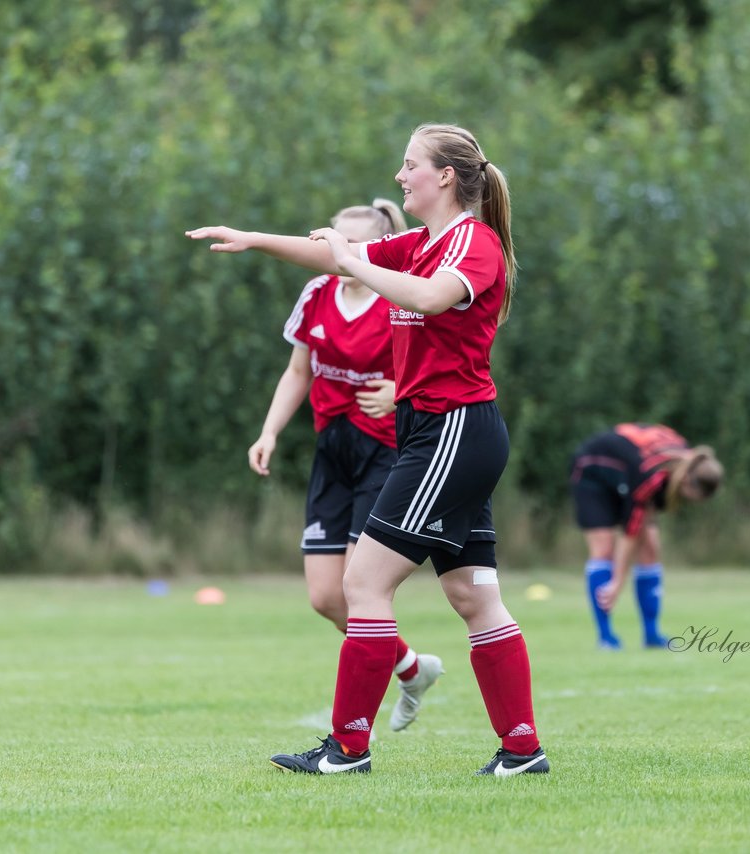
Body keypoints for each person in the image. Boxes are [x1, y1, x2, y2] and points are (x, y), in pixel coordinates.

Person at [187, 123, 547, 777]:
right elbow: (335, 258)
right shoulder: (426, 241)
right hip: (443, 434)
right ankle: (522, 752)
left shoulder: (473, 242)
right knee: (472, 596)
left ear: (444, 176)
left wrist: (355, 263)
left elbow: (432, 297)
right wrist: (254, 240)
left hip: (450, 432)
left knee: (363, 583)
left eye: (409, 165)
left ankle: (348, 749)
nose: (399, 176)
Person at [249, 198, 443, 732]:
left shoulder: (398, 295)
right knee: (325, 597)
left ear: (376, 247)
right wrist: (269, 432)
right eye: (333, 241)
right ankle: (410, 668)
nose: (340, 252)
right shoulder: (315, 294)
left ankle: (351, 733)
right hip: (332, 451)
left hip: (386, 453)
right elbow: (298, 371)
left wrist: (399, 392)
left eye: (354, 243)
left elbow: (445, 363)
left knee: (361, 591)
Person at [569, 423, 723, 650]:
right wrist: (617, 582)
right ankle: (606, 637)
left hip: (624, 474)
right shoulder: (650, 475)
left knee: (651, 546)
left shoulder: (687, 461)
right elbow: (631, 532)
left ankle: (651, 634)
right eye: (694, 497)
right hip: (593, 471)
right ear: (687, 482)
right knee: (604, 549)